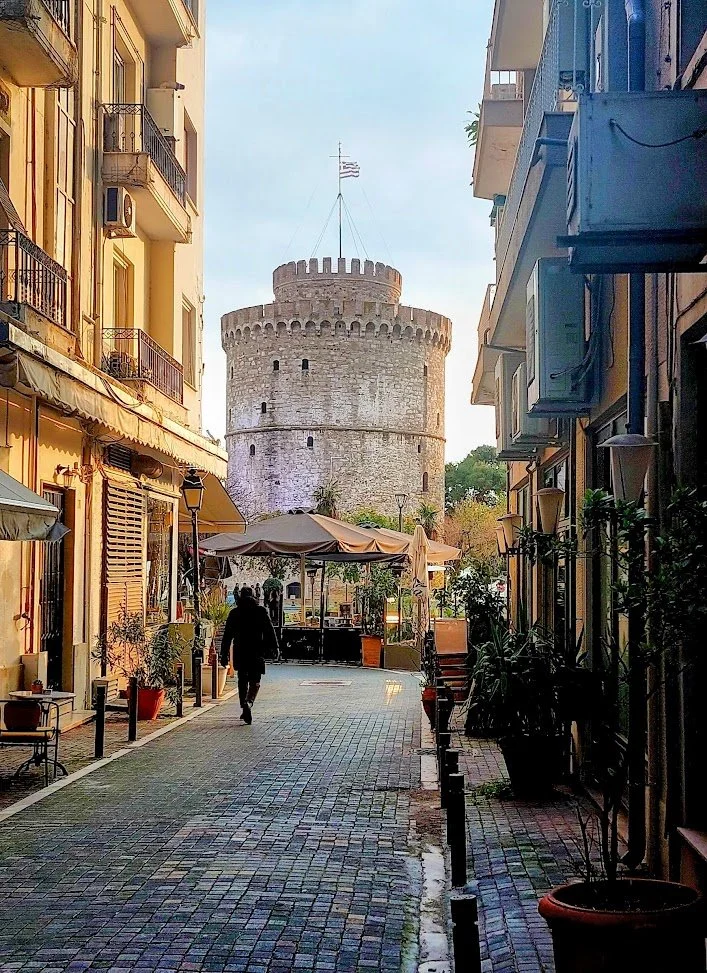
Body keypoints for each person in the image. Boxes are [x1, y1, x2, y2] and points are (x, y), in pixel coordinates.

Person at [220, 585, 278, 724]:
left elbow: (227, 636)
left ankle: (243, 706)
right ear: (254, 596)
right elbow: (270, 632)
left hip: (240, 650)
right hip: (257, 651)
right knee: (255, 681)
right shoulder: (260, 611)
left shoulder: (234, 613)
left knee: (242, 680)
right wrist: (275, 648)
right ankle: (249, 702)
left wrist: (223, 655)